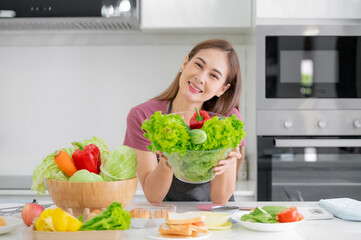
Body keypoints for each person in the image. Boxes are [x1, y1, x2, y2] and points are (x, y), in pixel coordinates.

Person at [124, 39, 245, 205]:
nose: (200, 78)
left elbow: (221, 198)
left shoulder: (228, 121)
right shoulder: (144, 116)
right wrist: (167, 160)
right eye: (198, 65)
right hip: (169, 218)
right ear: (185, 63)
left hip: (215, 219)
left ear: (222, 89)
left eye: (213, 75)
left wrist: (227, 164)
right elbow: (153, 196)